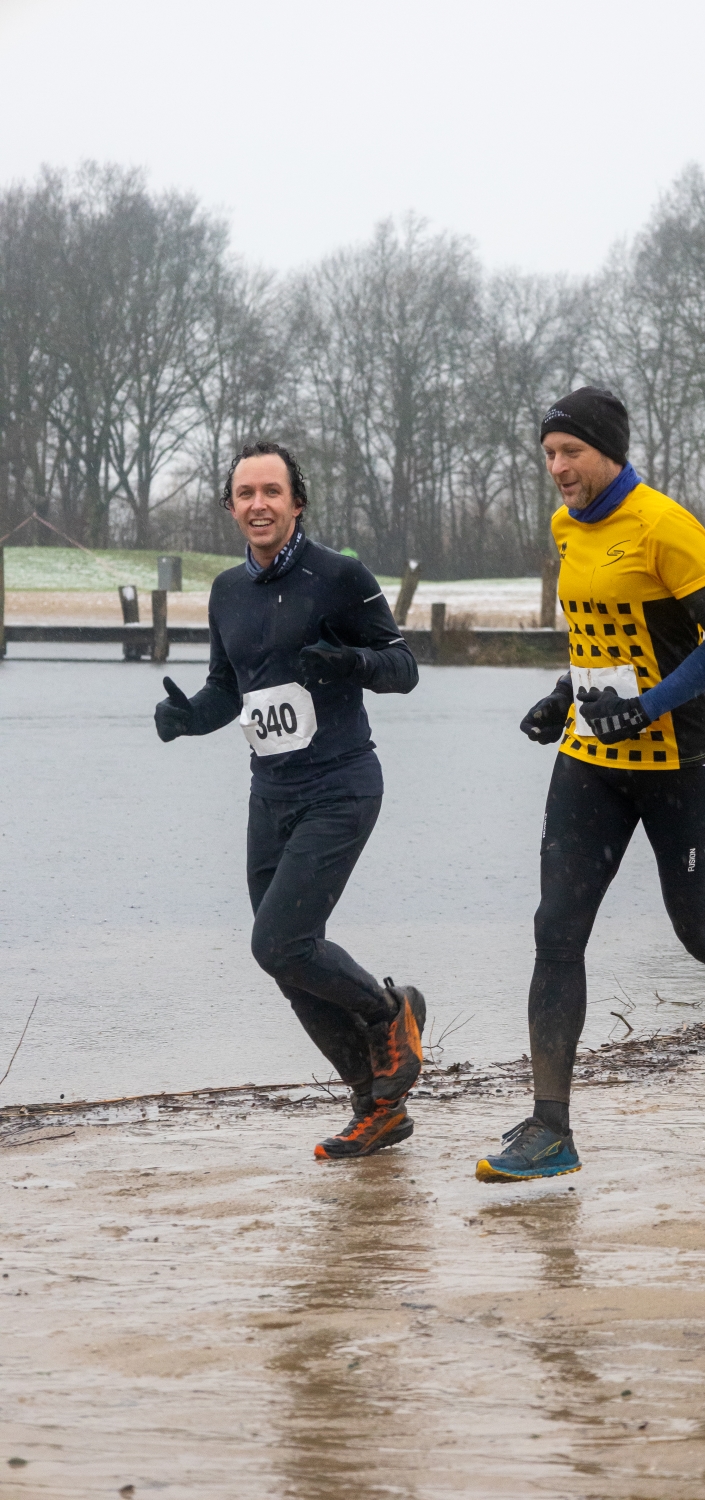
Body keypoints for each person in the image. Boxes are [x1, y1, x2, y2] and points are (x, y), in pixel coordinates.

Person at [475, 388, 705, 1183]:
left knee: (703, 932)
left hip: (680, 760)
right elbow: (604, 635)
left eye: (571, 452)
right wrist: (564, 694)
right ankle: (550, 1128)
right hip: (593, 757)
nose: (558, 468)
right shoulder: (566, 526)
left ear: (609, 452)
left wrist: (650, 706)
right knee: (556, 930)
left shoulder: (665, 525)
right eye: (549, 454)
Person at [154, 441, 425, 1160]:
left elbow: (404, 667)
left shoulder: (339, 577)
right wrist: (189, 718)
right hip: (269, 795)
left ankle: (390, 1013)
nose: (259, 504)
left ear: (296, 502)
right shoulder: (226, 592)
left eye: (271, 491)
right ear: (230, 507)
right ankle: (377, 1106)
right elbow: (228, 690)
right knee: (287, 960)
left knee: (279, 942)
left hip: (341, 785)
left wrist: (351, 662)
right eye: (245, 493)